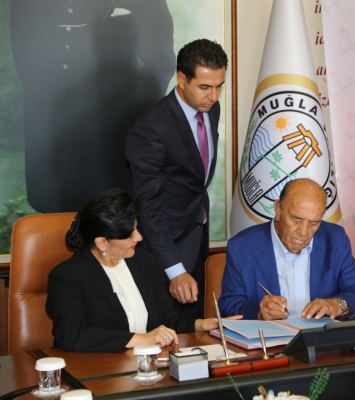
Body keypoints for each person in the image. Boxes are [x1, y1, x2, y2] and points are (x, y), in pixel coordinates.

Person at [10, 0, 174, 212]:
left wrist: (136, 99)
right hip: (49, 114)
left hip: (112, 116)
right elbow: (22, 38)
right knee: (52, 203)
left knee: (111, 205)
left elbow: (160, 52)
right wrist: (41, 92)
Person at [46, 188, 240, 353]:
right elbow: (70, 334)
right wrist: (141, 339)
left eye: (137, 229)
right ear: (102, 242)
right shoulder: (67, 276)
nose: (139, 238)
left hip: (148, 366)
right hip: (100, 370)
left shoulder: (144, 262)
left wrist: (200, 324)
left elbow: (166, 321)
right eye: (130, 235)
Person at [126, 39, 228, 318]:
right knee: (169, 331)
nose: (214, 96)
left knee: (197, 329)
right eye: (205, 87)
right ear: (182, 79)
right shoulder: (152, 129)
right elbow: (147, 207)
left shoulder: (211, 109)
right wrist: (174, 269)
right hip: (164, 252)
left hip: (197, 240)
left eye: (219, 86)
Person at [218, 178, 355, 320]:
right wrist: (259, 312)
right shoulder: (242, 247)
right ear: (278, 209)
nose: (303, 232)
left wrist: (336, 305)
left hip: (319, 338)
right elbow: (228, 303)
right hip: (270, 338)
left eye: (313, 223)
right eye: (296, 220)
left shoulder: (335, 239)